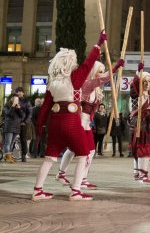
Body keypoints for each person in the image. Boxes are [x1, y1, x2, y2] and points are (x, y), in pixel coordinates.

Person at [32, 30, 105, 201]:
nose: (76, 63)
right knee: (84, 154)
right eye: (74, 60)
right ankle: (76, 190)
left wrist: (40, 128)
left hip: (54, 123)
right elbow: (88, 65)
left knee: (49, 158)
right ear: (70, 61)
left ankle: (37, 190)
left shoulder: (53, 83)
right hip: (71, 122)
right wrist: (98, 45)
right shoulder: (74, 78)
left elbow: (44, 109)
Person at [55, 59, 124, 189]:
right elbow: (102, 79)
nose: (101, 74)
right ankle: (68, 176)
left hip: (86, 125)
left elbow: (101, 81)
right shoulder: (87, 84)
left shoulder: (95, 89)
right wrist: (114, 69)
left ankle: (76, 177)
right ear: (93, 71)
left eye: (103, 72)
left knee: (88, 151)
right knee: (80, 151)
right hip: (79, 123)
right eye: (99, 72)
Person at [130, 66, 150, 184]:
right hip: (142, 125)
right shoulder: (136, 94)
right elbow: (135, 85)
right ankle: (142, 175)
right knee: (143, 149)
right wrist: (138, 74)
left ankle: (138, 173)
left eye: (149, 81)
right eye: (144, 81)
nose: (147, 84)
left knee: (145, 149)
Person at [1, 94, 24, 164]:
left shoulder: (18, 106)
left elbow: (22, 116)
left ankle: (8, 156)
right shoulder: (6, 106)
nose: (16, 100)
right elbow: (9, 114)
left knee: (12, 143)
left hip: (16, 127)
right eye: (15, 99)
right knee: (7, 143)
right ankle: (7, 157)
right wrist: (13, 106)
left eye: (17, 99)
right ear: (11, 99)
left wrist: (19, 108)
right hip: (9, 126)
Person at [15, 87, 32, 162]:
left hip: (23, 123)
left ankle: (23, 155)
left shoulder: (26, 101)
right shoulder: (14, 99)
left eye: (20, 91)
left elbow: (30, 113)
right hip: (14, 122)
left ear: (23, 93)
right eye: (17, 91)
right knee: (12, 139)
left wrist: (25, 122)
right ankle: (9, 155)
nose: (18, 93)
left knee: (23, 139)